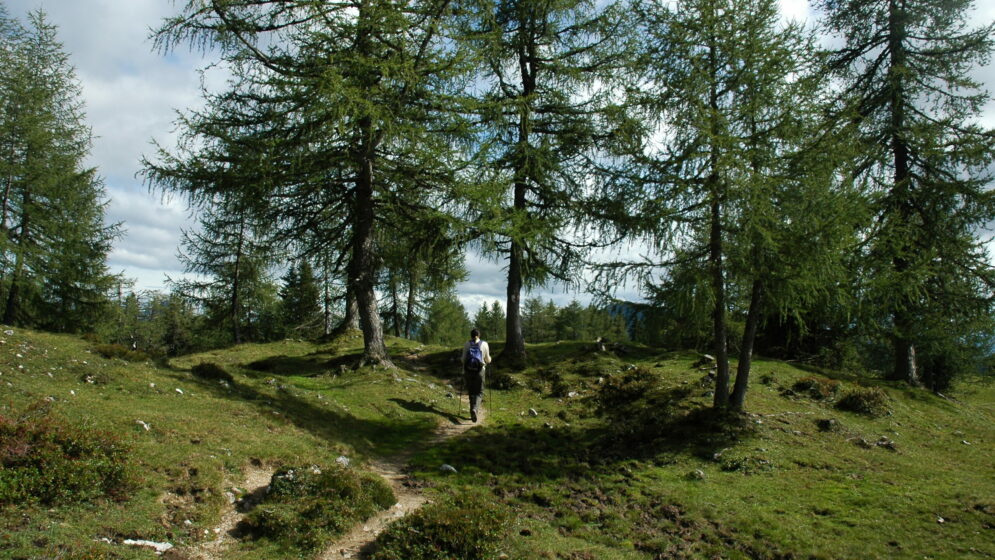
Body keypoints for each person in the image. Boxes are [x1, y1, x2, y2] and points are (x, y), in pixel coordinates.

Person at [461, 328, 492, 423]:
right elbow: (488, 360)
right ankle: (475, 409)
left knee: (471, 391)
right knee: (479, 392)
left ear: (471, 335)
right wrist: (490, 359)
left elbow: (463, 359)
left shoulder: (467, 344)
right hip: (480, 371)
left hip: (468, 371)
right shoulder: (484, 344)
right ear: (479, 335)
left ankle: (472, 410)